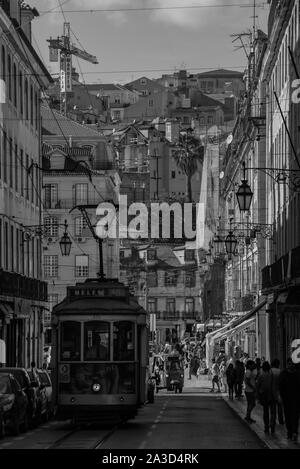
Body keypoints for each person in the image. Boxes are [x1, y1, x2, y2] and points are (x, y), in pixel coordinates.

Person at [279, 357, 300, 442]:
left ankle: (294, 431)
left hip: (296, 399)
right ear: (287, 364)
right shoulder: (283, 374)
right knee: (287, 416)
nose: (290, 365)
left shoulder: (297, 374)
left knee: (295, 416)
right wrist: (279, 396)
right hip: (286, 399)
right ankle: (290, 431)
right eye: (289, 363)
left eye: (292, 364)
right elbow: (280, 386)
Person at [256, 361, 276, 434]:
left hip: (264, 395)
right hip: (272, 395)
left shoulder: (261, 375)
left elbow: (257, 386)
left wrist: (257, 396)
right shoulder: (271, 375)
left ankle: (266, 426)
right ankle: (272, 424)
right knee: (273, 412)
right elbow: (273, 385)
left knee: (266, 412)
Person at [270, 358, 284, 426]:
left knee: (273, 407)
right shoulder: (279, 371)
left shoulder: (270, 371)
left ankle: (273, 420)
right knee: (280, 406)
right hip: (278, 391)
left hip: (272, 390)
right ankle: (281, 420)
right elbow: (281, 382)